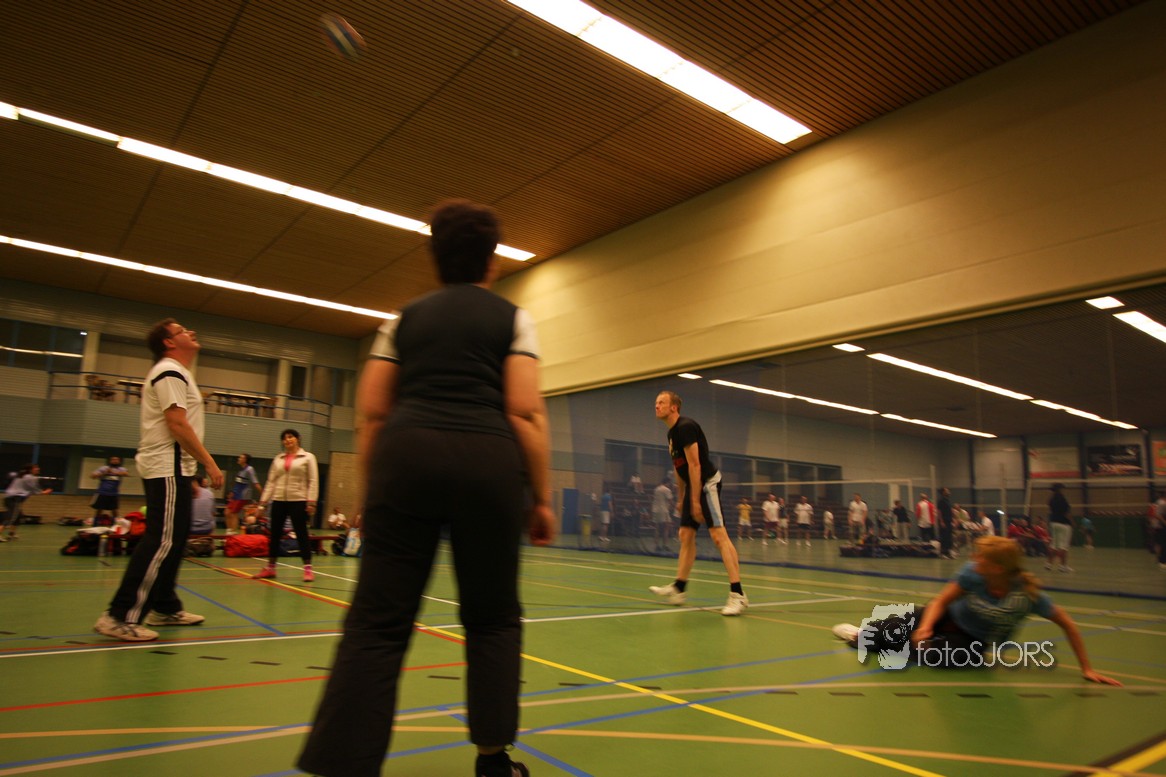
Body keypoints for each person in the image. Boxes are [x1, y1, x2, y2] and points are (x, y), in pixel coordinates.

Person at [297, 199, 554, 777]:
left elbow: (373, 415)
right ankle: (493, 761)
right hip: (488, 467)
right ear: (492, 260)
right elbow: (524, 413)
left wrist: (370, 499)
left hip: (406, 462)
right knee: (492, 619)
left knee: (377, 623)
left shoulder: (400, 321)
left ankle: (343, 765)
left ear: (434, 257)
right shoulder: (515, 319)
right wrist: (540, 498)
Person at [831, 536, 1121, 686]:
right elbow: (941, 601)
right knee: (879, 634)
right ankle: (862, 635)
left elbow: (1067, 624)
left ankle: (912, 646)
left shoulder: (1027, 596)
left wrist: (1087, 669)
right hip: (946, 616)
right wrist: (926, 626)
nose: (974, 559)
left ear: (997, 568)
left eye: (981, 558)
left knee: (943, 658)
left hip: (973, 638)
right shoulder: (972, 573)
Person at [94, 318, 223, 642]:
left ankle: (165, 606)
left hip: (177, 468)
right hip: (166, 466)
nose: (191, 331)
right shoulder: (169, 371)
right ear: (169, 342)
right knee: (162, 540)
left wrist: (190, 473)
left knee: (175, 540)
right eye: (182, 331)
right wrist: (209, 464)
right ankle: (119, 616)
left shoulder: (179, 373)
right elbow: (177, 424)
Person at [649, 391, 748, 616]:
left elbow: (695, 466)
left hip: (707, 484)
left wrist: (694, 500)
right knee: (685, 534)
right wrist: (681, 497)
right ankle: (679, 588)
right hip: (692, 487)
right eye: (656, 403)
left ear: (674, 407)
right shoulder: (671, 434)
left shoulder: (686, 427)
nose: (657, 406)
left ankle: (738, 594)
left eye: (661, 402)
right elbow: (679, 467)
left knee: (718, 536)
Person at [254, 429, 319, 583]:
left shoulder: (308, 457)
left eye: (290, 437)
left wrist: (311, 502)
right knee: (275, 534)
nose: (287, 440)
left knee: (301, 534)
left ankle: (308, 569)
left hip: (299, 500)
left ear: (298, 439)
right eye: (284, 438)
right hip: (278, 500)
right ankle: (270, 567)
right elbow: (271, 482)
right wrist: (262, 504)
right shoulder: (278, 459)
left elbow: (313, 480)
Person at [2, 464, 52, 541]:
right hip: (14, 498)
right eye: (36, 468)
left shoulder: (22, 476)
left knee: (18, 516)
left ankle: (11, 534)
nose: (38, 469)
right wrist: (44, 492)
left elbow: (29, 489)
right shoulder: (30, 477)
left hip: (10, 498)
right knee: (11, 517)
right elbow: (34, 489)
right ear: (30, 470)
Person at [224, 453, 261, 535]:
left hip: (242, 495)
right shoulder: (241, 471)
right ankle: (229, 530)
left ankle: (233, 533)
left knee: (233, 513)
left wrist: (263, 494)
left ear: (245, 460)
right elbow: (238, 484)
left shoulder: (249, 469)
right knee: (227, 512)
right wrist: (232, 493)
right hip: (236, 495)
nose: (238, 459)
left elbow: (255, 483)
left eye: (240, 458)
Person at [90, 456, 129, 521]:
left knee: (114, 510)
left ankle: (116, 524)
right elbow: (92, 476)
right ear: (110, 461)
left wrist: (114, 472)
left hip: (114, 493)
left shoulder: (121, 469)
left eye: (117, 460)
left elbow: (126, 474)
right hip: (102, 492)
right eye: (113, 459)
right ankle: (95, 523)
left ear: (119, 461)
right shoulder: (104, 468)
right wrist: (104, 473)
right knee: (99, 509)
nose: (115, 461)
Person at [1046, 483, 1074, 572]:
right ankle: (1063, 566)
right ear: (1060, 489)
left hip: (1053, 523)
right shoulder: (1062, 499)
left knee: (1053, 545)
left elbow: (1050, 511)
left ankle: (1049, 564)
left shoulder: (1051, 500)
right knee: (1063, 546)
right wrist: (1072, 522)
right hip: (1063, 524)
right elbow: (1067, 513)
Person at [651, 481, 673, 551]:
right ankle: (665, 545)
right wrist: (672, 506)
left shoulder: (656, 489)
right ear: (667, 483)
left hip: (655, 510)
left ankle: (656, 545)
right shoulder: (667, 489)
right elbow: (670, 500)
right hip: (663, 510)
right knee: (666, 528)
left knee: (657, 528)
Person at [937, 487, 955, 559]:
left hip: (949, 521)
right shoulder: (941, 501)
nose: (948, 491)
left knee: (949, 538)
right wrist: (941, 521)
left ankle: (948, 553)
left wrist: (953, 520)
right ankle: (942, 553)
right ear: (943, 492)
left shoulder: (947, 500)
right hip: (944, 522)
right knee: (944, 537)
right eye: (947, 490)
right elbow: (939, 512)